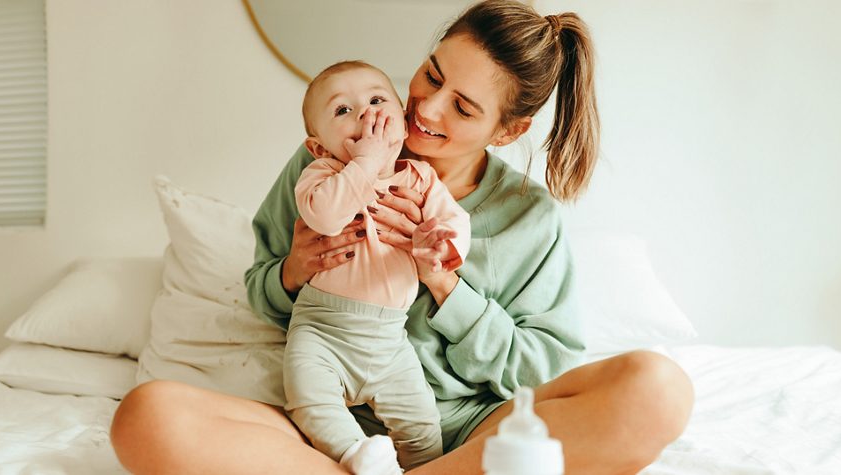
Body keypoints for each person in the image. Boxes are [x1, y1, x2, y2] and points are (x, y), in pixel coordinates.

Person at [110, 1, 695, 474]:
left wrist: (445, 285)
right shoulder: (335, 153)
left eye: (462, 107)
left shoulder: (528, 217)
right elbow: (261, 285)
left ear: (507, 129)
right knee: (146, 416)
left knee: (658, 390)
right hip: (323, 421)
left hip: (463, 434)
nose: (425, 109)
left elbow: (535, 368)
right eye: (431, 74)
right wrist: (293, 270)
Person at [288, 60, 470, 473]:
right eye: (342, 110)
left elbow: (455, 221)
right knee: (308, 401)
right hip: (321, 329)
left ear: (403, 126)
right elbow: (325, 217)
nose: (365, 114)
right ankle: (361, 456)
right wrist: (365, 164)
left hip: (389, 339)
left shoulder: (420, 179)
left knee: (423, 425)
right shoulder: (322, 174)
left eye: (375, 100)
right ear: (318, 146)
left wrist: (439, 245)